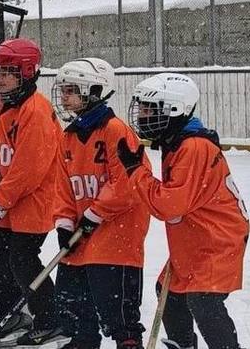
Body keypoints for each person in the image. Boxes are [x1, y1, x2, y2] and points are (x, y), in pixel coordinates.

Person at [119, 73, 249, 349]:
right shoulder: (176, 142)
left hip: (217, 239)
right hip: (195, 235)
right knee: (171, 295)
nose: (142, 116)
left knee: (203, 298)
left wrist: (135, 171)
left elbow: (167, 205)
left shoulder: (193, 147)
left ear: (173, 109)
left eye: (148, 109)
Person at [51, 58, 150, 349]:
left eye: (71, 89)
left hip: (116, 235)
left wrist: (95, 214)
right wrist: (64, 222)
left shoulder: (116, 130)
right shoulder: (67, 137)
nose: (64, 96)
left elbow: (128, 183)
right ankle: (84, 340)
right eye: (64, 89)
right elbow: (63, 186)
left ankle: (128, 342)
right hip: (82, 234)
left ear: (93, 90)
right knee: (71, 299)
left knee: (117, 310)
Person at [0, 37, 62, 345]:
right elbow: (6, 156)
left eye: (7, 72)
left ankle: (51, 318)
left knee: (23, 259)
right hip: (12, 201)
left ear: (26, 72)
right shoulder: (7, 108)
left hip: (34, 201)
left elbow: (29, 169)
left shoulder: (35, 111)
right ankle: (14, 314)